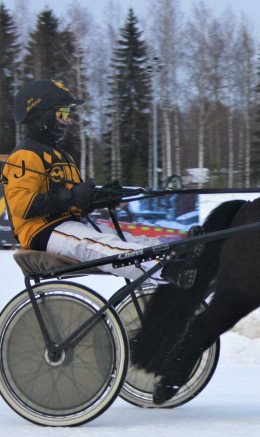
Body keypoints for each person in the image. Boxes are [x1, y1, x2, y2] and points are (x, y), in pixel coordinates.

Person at [1, 79, 197, 288]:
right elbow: (21, 205)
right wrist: (73, 197)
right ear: (42, 117)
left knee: (130, 239)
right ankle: (164, 269)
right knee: (100, 246)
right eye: (62, 114)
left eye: (68, 115)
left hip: (69, 225)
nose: (68, 121)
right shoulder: (25, 155)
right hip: (42, 232)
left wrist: (99, 198)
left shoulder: (61, 155)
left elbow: (73, 200)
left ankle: (177, 252)